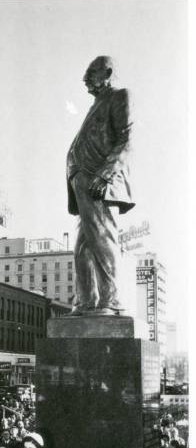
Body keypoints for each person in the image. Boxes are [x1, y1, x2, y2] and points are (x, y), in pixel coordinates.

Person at [66, 55, 134, 315]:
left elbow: (127, 139)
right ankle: (87, 301)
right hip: (83, 181)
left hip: (99, 181)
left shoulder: (119, 96)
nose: (86, 79)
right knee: (82, 249)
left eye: (91, 73)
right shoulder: (97, 104)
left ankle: (112, 301)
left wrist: (105, 174)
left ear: (107, 72)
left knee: (104, 239)